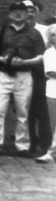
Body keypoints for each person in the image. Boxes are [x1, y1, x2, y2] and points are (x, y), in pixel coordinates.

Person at [0, 1, 46, 156]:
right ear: (9, 14)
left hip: (24, 76)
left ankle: (22, 146)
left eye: (22, 11)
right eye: (14, 11)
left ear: (27, 15)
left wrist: (25, 62)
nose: (18, 13)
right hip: (4, 74)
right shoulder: (2, 30)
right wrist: (2, 59)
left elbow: (40, 56)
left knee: (22, 112)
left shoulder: (34, 33)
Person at [23, 1, 52, 156]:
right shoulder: (18, 30)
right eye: (26, 11)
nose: (29, 14)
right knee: (27, 110)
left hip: (40, 74)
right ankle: (30, 143)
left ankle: (44, 143)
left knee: (42, 110)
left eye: (32, 11)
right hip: (23, 73)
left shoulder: (44, 29)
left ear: (36, 13)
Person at [37, 21, 56, 164]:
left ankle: (51, 152)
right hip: (53, 92)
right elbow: (51, 72)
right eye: (53, 35)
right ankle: (52, 151)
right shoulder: (49, 53)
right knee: (54, 124)